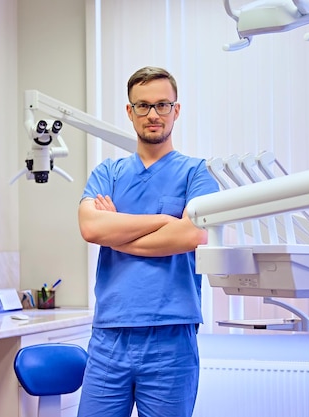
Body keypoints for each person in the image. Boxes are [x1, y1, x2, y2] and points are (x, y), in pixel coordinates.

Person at [77, 66, 219, 417]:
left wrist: (118, 231)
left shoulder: (198, 173)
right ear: (130, 111)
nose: (153, 114)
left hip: (171, 336)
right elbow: (92, 229)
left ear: (176, 110)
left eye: (162, 105)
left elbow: (192, 234)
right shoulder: (107, 173)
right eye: (142, 106)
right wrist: (162, 222)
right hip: (110, 334)